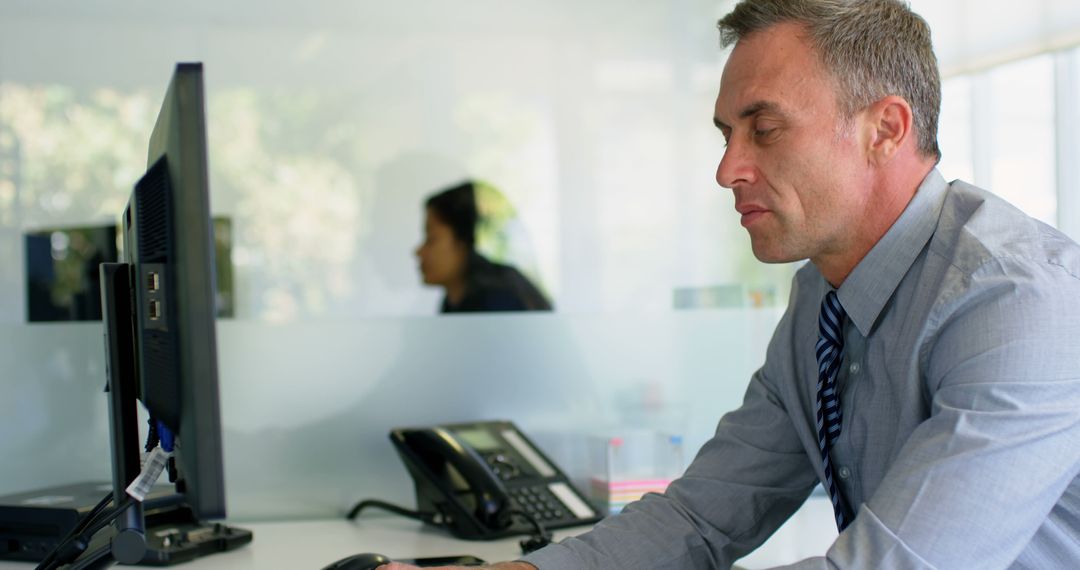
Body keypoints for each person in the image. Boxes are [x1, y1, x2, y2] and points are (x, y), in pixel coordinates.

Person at [386, 0, 1080, 568]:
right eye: (727, 136)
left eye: (766, 129)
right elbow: (701, 517)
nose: (728, 170)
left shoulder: (1020, 303)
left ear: (885, 129)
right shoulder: (823, 301)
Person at [415, 180, 552, 313]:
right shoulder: (454, 301)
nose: (418, 252)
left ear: (463, 241)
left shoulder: (497, 300)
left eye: (431, 239)